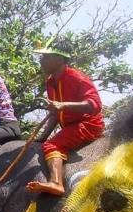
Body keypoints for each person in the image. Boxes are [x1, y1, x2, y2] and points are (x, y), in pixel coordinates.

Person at [27, 39, 104, 195]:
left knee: (52, 146)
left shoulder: (78, 78)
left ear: (60, 59)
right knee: (45, 143)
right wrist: (42, 137)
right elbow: (55, 113)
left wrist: (63, 105)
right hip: (70, 127)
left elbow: (94, 104)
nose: (42, 61)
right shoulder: (50, 82)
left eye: (47, 57)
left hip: (88, 125)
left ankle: (56, 183)